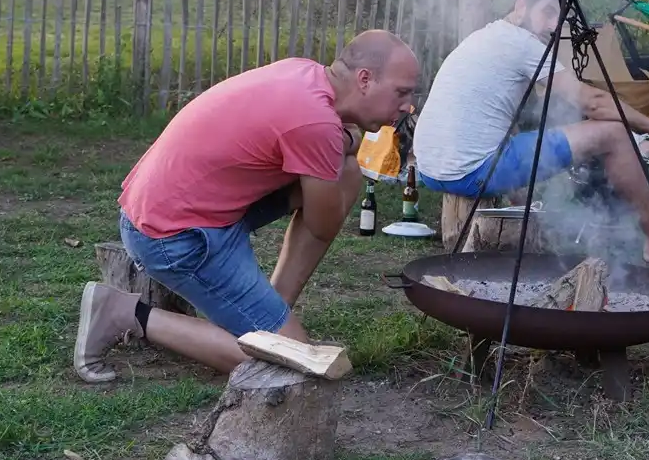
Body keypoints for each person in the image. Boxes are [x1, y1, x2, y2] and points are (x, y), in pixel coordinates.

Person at [73, 30, 420, 383]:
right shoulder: (316, 122)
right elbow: (322, 224)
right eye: (401, 92)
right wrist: (348, 142)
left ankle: (268, 317)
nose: (407, 106)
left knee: (345, 170)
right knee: (291, 361)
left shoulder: (304, 75)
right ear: (365, 79)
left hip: (179, 208)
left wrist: (347, 141)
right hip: (173, 237)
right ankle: (124, 313)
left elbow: (340, 147)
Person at [413, 0, 649, 267]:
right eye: (547, 12)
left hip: (429, 168)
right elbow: (593, 102)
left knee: (529, 135)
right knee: (613, 133)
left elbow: (496, 118)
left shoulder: (485, 37)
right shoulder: (523, 44)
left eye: (560, 17)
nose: (554, 26)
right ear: (521, 6)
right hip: (469, 171)